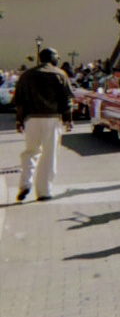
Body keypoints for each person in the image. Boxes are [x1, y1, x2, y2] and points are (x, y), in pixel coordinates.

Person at [14, 47, 75, 202]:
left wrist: (19, 120)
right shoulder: (60, 74)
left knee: (30, 152)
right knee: (49, 155)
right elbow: (66, 99)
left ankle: (24, 184)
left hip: (31, 119)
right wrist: (68, 118)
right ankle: (44, 192)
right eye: (57, 57)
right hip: (52, 118)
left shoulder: (26, 76)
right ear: (52, 58)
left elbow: (19, 101)